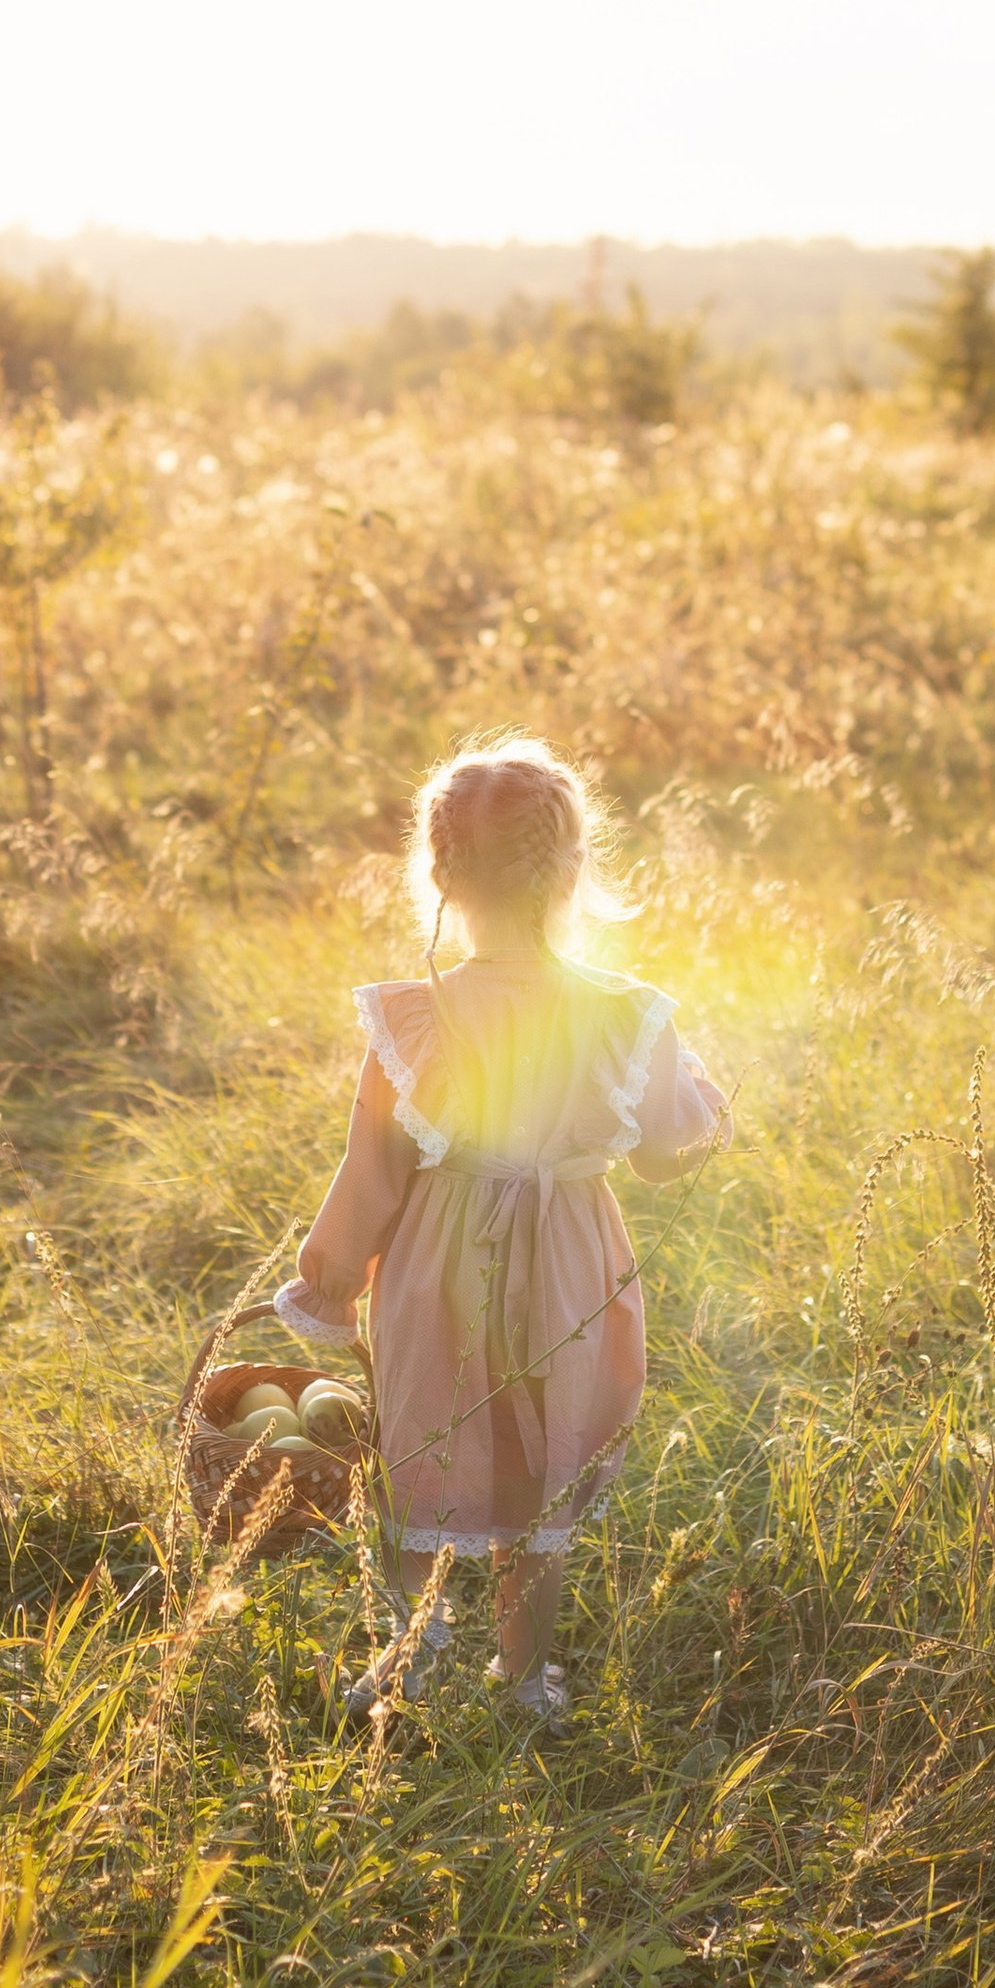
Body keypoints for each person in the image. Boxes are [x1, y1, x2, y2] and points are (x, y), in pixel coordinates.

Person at [275, 733, 729, 1726]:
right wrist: (703, 1107)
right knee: (544, 1462)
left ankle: (407, 1646)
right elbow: (660, 1151)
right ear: (571, 872)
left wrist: (334, 1273)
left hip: (438, 1262)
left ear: (438, 872)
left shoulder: (415, 1019)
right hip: (570, 1261)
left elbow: (374, 1167)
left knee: (416, 1440)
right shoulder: (628, 1016)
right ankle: (522, 1682)